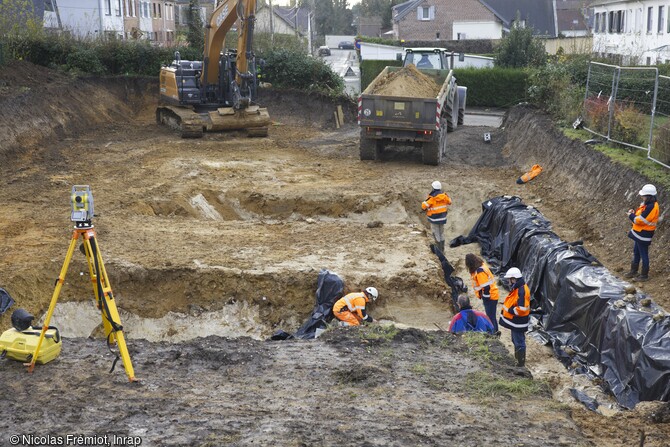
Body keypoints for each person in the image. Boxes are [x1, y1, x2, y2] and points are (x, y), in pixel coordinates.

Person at [624, 184, 660, 282]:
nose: (642, 197)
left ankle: (644, 275)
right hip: (639, 233)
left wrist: (631, 216)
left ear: (649, 196)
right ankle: (633, 271)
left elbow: (640, 220)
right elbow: (640, 215)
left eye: (643, 195)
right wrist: (633, 213)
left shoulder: (652, 207)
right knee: (636, 252)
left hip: (644, 234)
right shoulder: (647, 204)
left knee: (643, 254)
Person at [499, 267, 530, 367]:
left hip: (518, 322)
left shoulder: (522, 291)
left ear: (514, 279)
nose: (508, 282)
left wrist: (509, 310)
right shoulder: (518, 288)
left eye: (509, 279)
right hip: (516, 322)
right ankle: (518, 360)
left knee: (519, 342)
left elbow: (521, 309)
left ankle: (520, 364)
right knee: (515, 340)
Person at [465, 253, 500, 335]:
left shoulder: (479, 271)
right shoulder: (481, 266)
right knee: (492, 316)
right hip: (492, 295)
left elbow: (486, 287)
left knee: (490, 316)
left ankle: (493, 333)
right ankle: (495, 331)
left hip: (490, 297)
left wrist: (485, 297)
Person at [421, 180, 452, 252]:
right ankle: (442, 249)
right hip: (442, 218)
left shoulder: (432, 198)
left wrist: (424, 203)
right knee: (441, 233)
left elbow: (424, 206)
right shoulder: (444, 196)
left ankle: (438, 250)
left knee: (436, 233)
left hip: (434, 219)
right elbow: (450, 201)